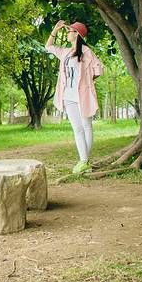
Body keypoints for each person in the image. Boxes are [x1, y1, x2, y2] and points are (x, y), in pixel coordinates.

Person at [45, 20, 104, 174]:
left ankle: (84, 161)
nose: (67, 33)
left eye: (70, 31)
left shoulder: (86, 51)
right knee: (77, 129)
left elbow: (98, 69)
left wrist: (87, 82)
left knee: (87, 127)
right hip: (68, 96)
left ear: (77, 34)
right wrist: (55, 30)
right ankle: (84, 161)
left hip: (83, 95)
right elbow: (48, 47)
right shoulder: (65, 52)